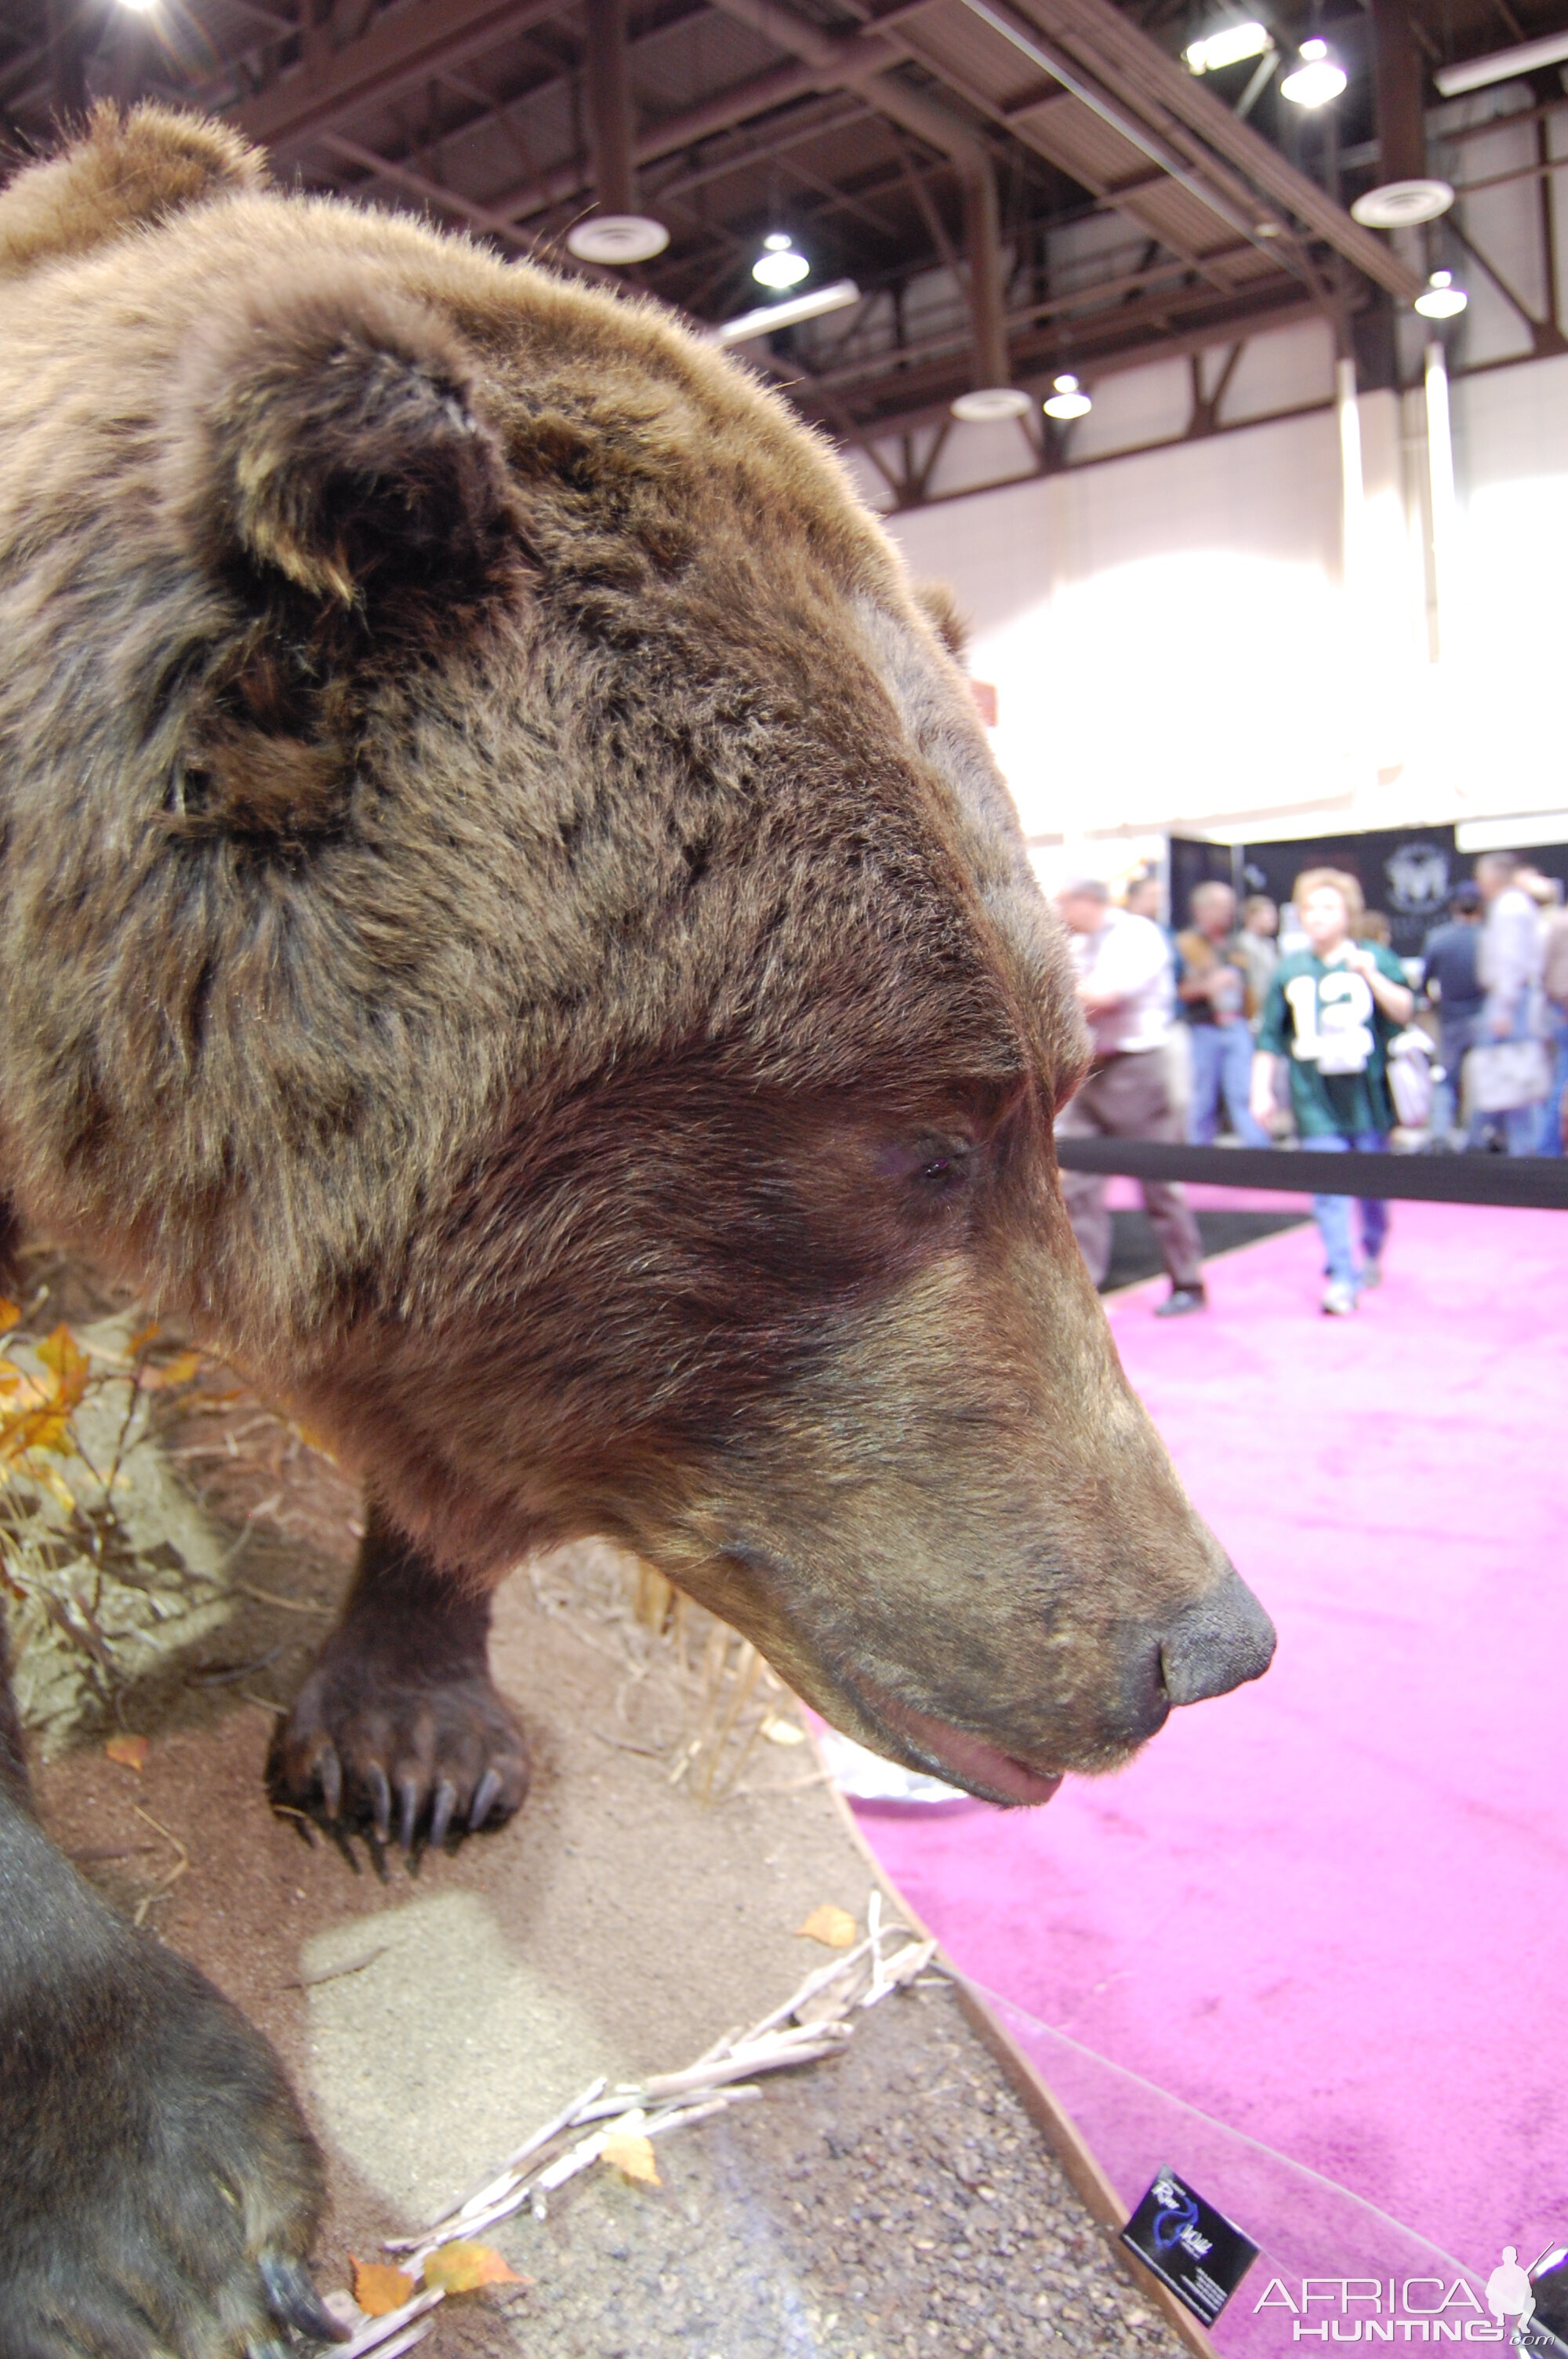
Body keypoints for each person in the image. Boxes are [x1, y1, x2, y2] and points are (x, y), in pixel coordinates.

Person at [1251, 868, 1414, 1316]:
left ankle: (1372, 1250)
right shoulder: (1291, 970)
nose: (1318, 917)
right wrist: (1260, 1090)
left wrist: (1371, 975)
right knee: (1327, 1189)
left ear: (1348, 914)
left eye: (1328, 907)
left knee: (1373, 1189)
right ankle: (1342, 1275)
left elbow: (1406, 1011)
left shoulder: (1374, 957)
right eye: (1310, 908)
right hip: (1313, 1100)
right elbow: (1269, 1038)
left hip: (1368, 1099)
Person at [1054, 878, 1207, 1316]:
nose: (1057, 914)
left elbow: (1105, 998)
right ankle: (1085, 1292)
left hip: (1138, 1069)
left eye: (1062, 903)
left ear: (1087, 901)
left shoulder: (1137, 935)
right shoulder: (1077, 943)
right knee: (1078, 1185)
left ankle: (1188, 1280)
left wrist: (1042, 978)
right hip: (1090, 1070)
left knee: (1159, 1184)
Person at [1175, 881, 1271, 1147]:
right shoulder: (1185, 944)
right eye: (1221, 906)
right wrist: (1208, 986)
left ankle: (1260, 1156)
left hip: (1238, 1025)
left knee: (1244, 1091)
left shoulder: (1236, 945)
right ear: (1202, 909)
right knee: (1201, 1097)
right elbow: (1174, 991)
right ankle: (1198, 1158)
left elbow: (1248, 986)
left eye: (1230, 906)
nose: (1229, 912)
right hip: (1203, 1027)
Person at [1419, 881, 1483, 1147]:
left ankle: (1439, 1133)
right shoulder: (1487, 937)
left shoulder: (1439, 938)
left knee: (1446, 1078)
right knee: (1483, 1080)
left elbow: (1424, 982)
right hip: (1482, 1016)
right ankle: (1477, 1137)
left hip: (1451, 1017)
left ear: (1455, 906)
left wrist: (1433, 1001)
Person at [1541, 891, 1568, 1154]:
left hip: (1560, 1007)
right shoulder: (1560, 923)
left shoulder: (1557, 922)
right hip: (1564, 1010)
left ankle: (1548, 1148)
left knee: (1560, 1081)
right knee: (1561, 1081)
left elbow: (1545, 970)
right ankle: (1548, 1148)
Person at [1232, 894, 1279, 1019]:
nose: (1273, 919)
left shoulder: (1268, 944)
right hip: (1255, 1011)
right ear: (1252, 917)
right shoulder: (1244, 943)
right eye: (1268, 914)